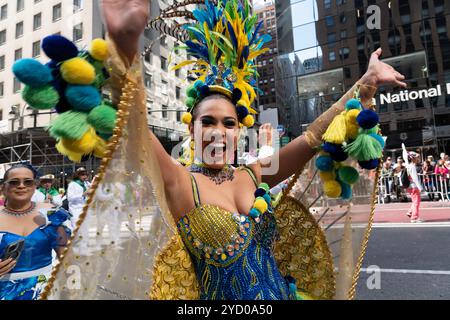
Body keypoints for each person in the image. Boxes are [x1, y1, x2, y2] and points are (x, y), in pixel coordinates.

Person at [28, 0, 407, 301]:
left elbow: (311, 140)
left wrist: (364, 84)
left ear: (239, 132)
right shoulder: (180, 182)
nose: (218, 132)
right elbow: (136, 127)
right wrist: (126, 48)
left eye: (228, 123)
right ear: (192, 129)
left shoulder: (252, 174)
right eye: (207, 122)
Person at [0, 164, 71, 300]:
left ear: (34, 186)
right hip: (5, 291)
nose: (21, 186)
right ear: (4, 187)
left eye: (28, 182)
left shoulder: (51, 214)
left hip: (45, 289)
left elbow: (66, 257)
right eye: (14, 182)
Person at [67, 168, 91, 255]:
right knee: (77, 231)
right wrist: (82, 194)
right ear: (77, 175)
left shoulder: (87, 184)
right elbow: (70, 198)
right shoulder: (72, 184)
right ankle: (74, 250)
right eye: (82, 174)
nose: (84, 176)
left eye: (86, 174)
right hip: (76, 210)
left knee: (85, 230)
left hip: (85, 210)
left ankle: (83, 249)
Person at [402, 144, 424, 222]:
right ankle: (414, 217)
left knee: (415, 201)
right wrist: (420, 188)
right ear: (413, 158)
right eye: (416, 158)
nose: (417, 159)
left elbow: (405, 156)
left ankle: (410, 212)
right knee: (416, 202)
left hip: (409, 187)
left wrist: (404, 149)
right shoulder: (412, 166)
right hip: (414, 186)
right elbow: (415, 178)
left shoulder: (407, 165)